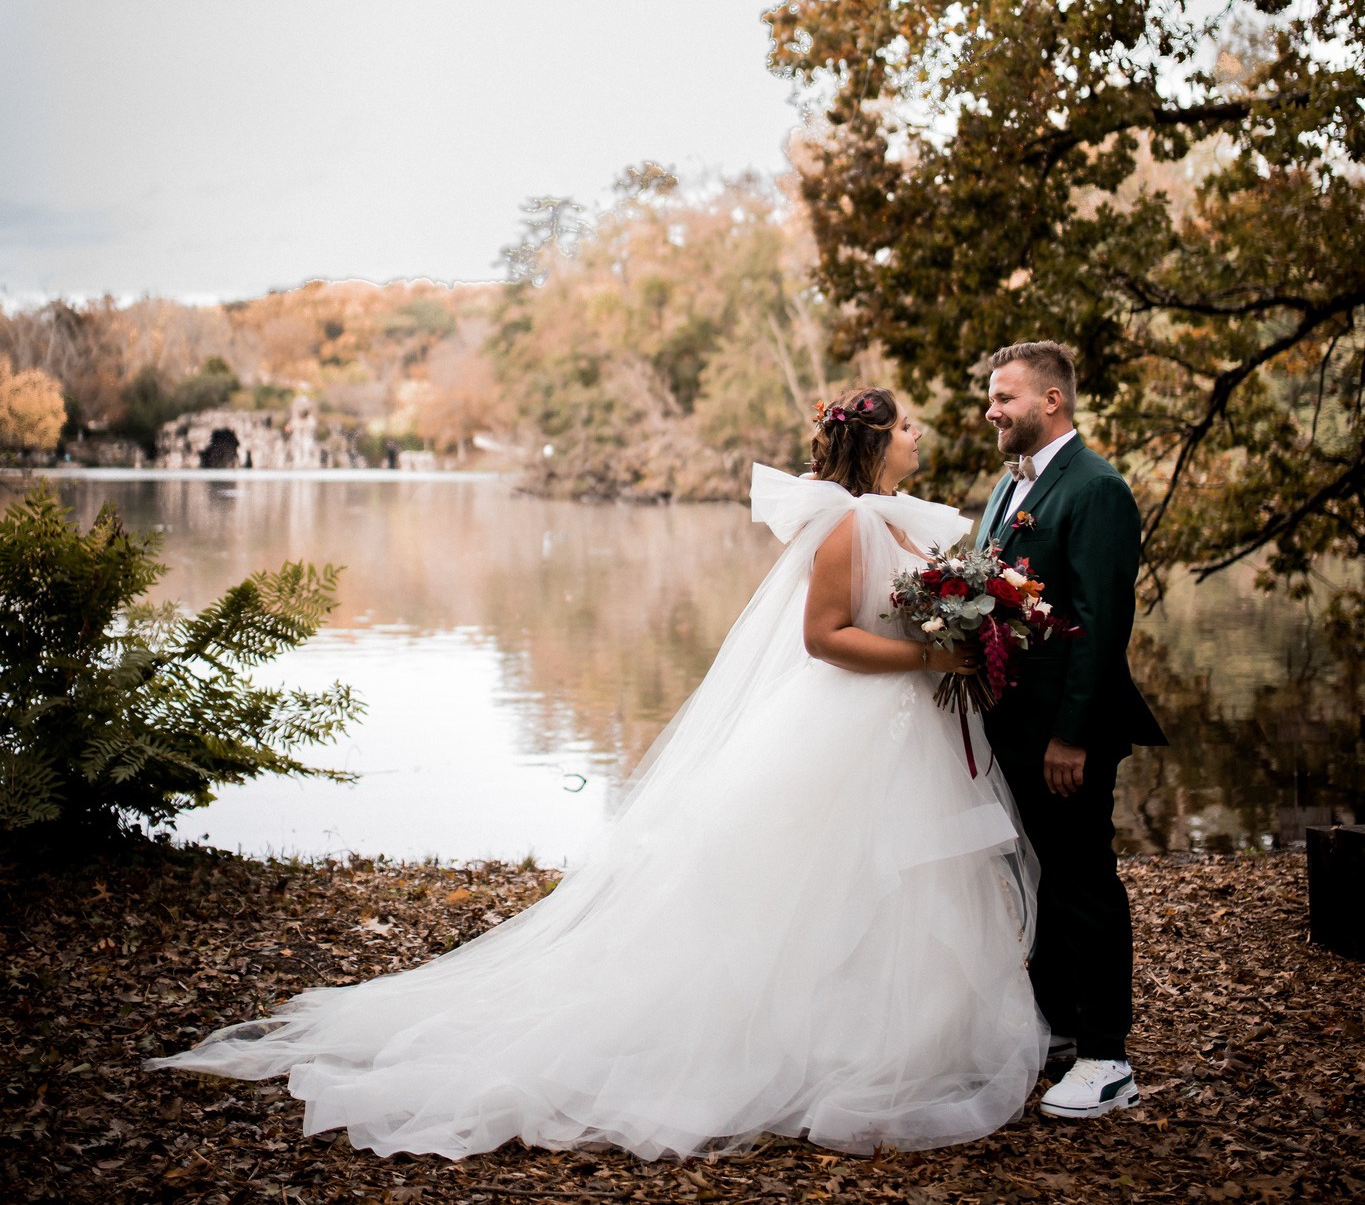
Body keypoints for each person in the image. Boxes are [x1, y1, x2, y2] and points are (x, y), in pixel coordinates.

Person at [150, 388, 1047, 1160]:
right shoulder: (847, 524)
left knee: (880, 885)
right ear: (872, 441)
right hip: (851, 727)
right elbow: (822, 639)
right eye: (907, 428)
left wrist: (952, 637)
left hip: (892, 732)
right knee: (830, 883)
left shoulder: (886, 517)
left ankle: (884, 1039)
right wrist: (929, 662)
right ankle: (815, 1046)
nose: (918, 435)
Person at [977, 341, 1166, 1119]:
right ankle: (1055, 1034)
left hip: (1064, 733)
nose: (991, 410)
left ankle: (1106, 1056)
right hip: (1010, 725)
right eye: (990, 397)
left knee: (1083, 882)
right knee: (1041, 880)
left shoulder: (1096, 490)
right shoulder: (1006, 484)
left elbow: (1100, 622)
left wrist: (1072, 736)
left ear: (1051, 401)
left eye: (1004, 398)